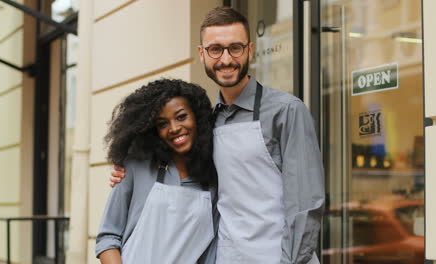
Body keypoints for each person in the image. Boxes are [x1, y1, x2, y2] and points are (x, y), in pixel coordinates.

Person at [110, 7, 324, 264]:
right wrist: (127, 166)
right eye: (215, 49)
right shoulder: (206, 122)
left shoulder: (286, 111)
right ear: (202, 54)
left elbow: (306, 205)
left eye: (235, 48)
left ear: (250, 50)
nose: (226, 59)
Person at [96, 79, 218, 264]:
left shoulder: (213, 178)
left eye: (181, 116)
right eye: (162, 124)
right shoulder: (136, 166)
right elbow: (107, 238)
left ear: (197, 117)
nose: (175, 128)